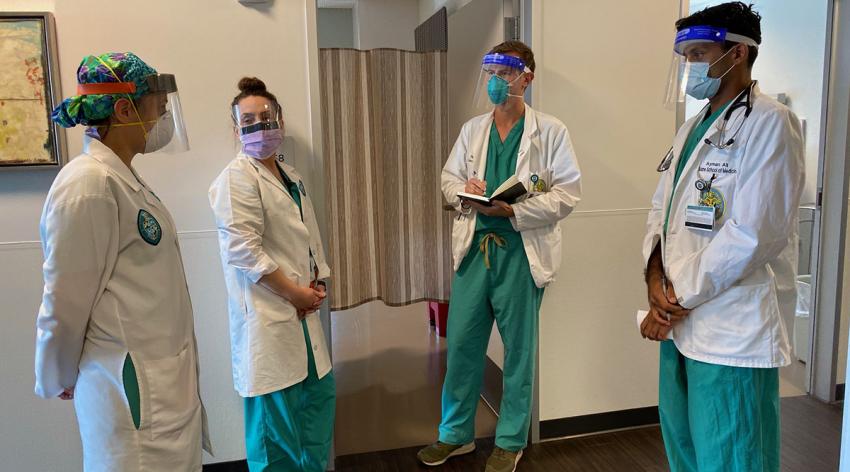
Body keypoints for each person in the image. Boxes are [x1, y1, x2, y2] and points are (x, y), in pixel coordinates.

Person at [641, 3, 805, 471]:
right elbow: (661, 210)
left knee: (733, 457)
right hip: (680, 320)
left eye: (699, 53)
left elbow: (754, 234)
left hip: (732, 328)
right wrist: (655, 280)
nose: (691, 66)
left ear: (736, 54)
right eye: (686, 56)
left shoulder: (772, 123)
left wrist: (673, 298)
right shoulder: (693, 129)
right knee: (685, 449)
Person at [34, 52, 211, 471]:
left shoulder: (122, 179)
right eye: (155, 99)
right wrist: (58, 373)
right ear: (123, 108)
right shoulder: (87, 185)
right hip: (131, 390)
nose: (164, 109)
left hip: (162, 386)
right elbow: (65, 298)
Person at [418, 41, 582, 472]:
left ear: (526, 79)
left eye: (505, 73)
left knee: (519, 353)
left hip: (520, 254)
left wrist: (517, 209)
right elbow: (447, 179)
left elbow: (567, 194)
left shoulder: (550, 132)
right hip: (475, 252)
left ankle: (510, 440)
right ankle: (455, 435)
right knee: (463, 347)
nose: (495, 81)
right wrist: (463, 193)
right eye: (490, 71)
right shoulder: (473, 129)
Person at [209, 77, 334, 472]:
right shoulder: (235, 179)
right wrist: (295, 295)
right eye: (248, 119)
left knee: (316, 422)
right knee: (275, 443)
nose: (260, 126)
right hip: (270, 322)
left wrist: (317, 282)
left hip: (304, 322)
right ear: (235, 130)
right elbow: (245, 252)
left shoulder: (291, 175)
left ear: (280, 119)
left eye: (267, 116)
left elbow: (308, 241)